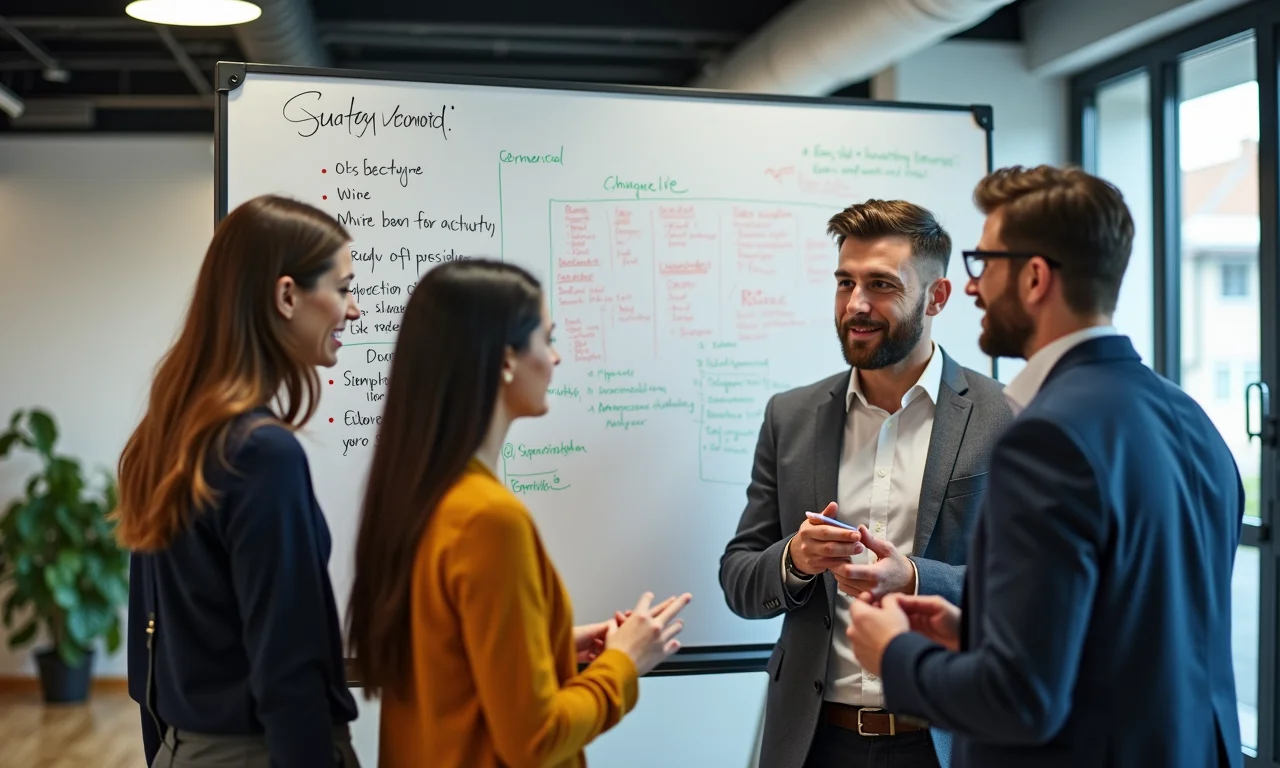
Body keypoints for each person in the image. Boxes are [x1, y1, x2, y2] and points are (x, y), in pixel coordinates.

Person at [847, 165, 1245, 768]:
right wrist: (977, 634)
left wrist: (896, 655)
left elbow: (1020, 702)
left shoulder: (1045, 438)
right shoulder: (1191, 419)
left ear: (1034, 277)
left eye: (985, 262)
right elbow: (1139, 636)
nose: (973, 288)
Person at [345, 258, 691, 768]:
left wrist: (553, 643)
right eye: (546, 340)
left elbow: (452, 664)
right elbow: (535, 741)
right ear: (505, 358)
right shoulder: (489, 519)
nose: (555, 359)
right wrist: (623, 662)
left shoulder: (419, 497)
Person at [719, 199, 1013, 768]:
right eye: (845, 282)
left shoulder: (1007, 417)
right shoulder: (790, 417)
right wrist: (795, 560)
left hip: (947, 742)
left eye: (881, 284)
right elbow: (738, 576)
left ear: (938, 297)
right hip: (813, 741)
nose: (856, 304)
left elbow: (1027, 590)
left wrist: (914, 577)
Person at [113, 195, 363, 767]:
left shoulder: (171, 432)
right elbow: (289, 668)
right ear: (286, 295)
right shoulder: (261, 454)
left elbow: (147, 652)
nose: (353, 310)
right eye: (344, 287)